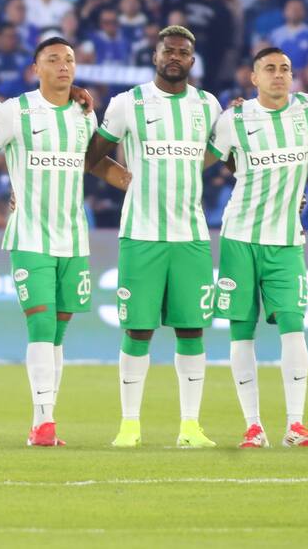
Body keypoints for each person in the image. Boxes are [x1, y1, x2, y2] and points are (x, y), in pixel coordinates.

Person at [0, 36, 130, 446]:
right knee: (42, 325)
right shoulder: (17, 111)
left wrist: (133, 184)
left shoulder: (84, 114)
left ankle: (42, 419)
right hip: (30, 235)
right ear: (36, 68)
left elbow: (93, 163)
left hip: (73, 238)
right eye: (53, 59)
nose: (63, 66)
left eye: (69, 59)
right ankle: (44, 422)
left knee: (59, 333)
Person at [85, 25, 223, 449]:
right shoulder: (129, 103)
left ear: (192, 60)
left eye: (183, 52)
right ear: (155, 55)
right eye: (169, 51)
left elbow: (221, 152)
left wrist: (180, 173)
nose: (175, 57)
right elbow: (91, 155)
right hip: (141, 234)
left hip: (192, 236)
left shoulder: (208, 105)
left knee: (192, 330)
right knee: (138, 330)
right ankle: (129, 425)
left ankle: (190, 427)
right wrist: (127, 179)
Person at [209, 47, 308, 448]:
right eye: (269, 69)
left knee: (294, 326)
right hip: (240, 236)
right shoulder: (234, 119)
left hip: (287, 240)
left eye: (285, 69)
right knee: (242, 332)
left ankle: (296, 424)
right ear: (253, 77)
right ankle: (254, 426)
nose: (279, 75)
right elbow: (208, 160)